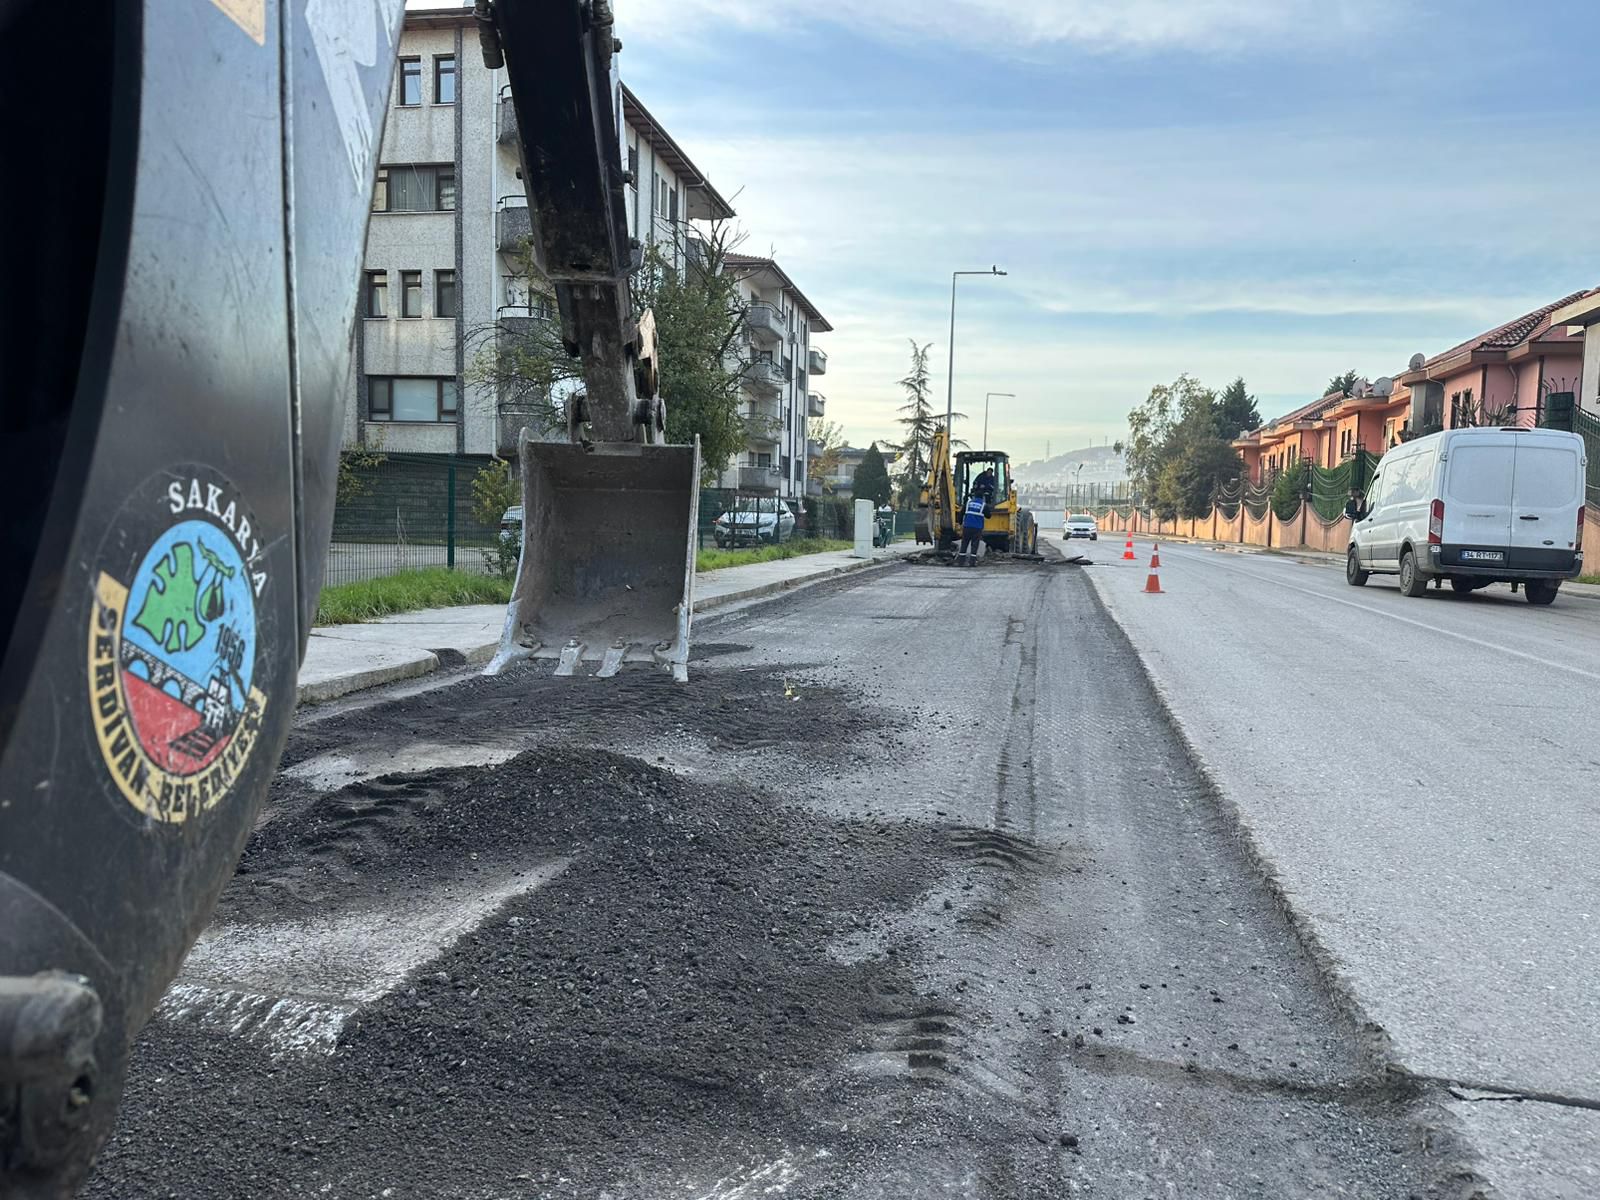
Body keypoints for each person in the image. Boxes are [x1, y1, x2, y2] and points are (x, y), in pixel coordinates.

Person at [957, 491, 987, 566]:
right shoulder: (983, 505)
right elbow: (989, 515)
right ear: (982, 497)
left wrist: (960, 522)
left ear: (974, 496)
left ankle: (961, 562)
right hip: (977, 528)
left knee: (964, 543)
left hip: (967, 526)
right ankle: (972, 563)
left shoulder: (968, 503)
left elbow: (961, 513)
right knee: (974, 544)